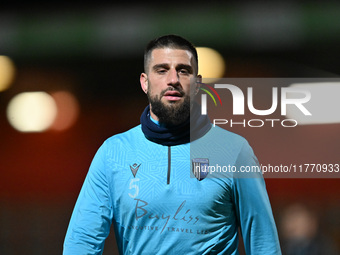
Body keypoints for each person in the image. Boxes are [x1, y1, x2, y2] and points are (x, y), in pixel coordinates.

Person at [63, 34, 281, 254]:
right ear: (145, 83)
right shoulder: (113, 153)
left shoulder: (234, 151)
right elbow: (81, 243)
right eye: (161, 70)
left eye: (183, 70)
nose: (173, 79)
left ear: (197, 84)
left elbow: (264, 244)